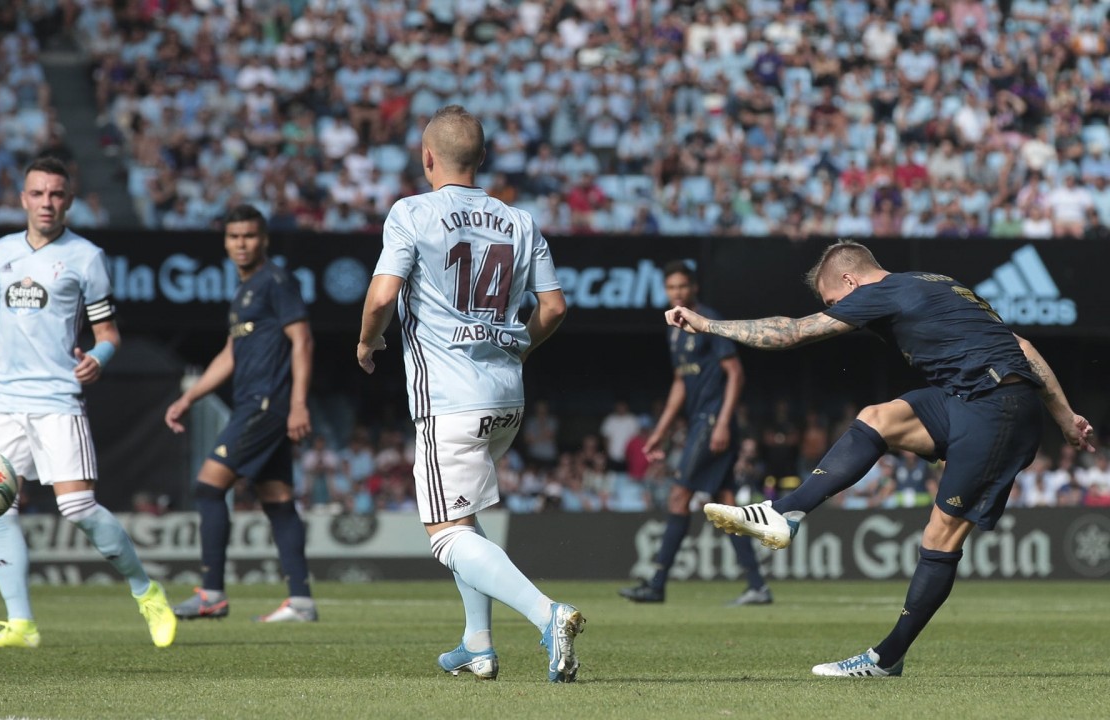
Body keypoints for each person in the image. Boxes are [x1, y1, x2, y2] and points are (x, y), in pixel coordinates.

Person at [675, 240, 1094, 677]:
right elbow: (1021, 346)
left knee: (941, 536)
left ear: (850, 281)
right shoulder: (937, 283)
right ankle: (785, 512)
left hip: (997, 410)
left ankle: (886, 658)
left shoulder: (879, 293)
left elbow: (793, 332)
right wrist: (1065, 416)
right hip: (967, 398)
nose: (838, 312)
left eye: (834, 302)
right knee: (878, 418)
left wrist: (708, 325)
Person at [357, 105, 584, 682]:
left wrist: (367, 341)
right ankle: (477, 644)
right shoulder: (520, 220)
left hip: (449, 398)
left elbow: (381, 297)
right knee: (464, 517)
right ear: (481, 158)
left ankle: (547, 614)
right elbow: (554, 307)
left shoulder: (411, 212)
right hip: (507, 398)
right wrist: (518, 348)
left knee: (446, 535)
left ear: (427, 157)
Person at [0, 157, 177, 650]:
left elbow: (108, 334)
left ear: (68, 200)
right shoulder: (1, 252)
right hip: (3, 401)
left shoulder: (87, 257)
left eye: (55, 194)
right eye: (37, 193)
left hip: (56, 400)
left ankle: (146, 591)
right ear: (23, 198)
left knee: (78, 507)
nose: (46, 202)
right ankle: (21, 624)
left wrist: (98, 359)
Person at [164, 204, 319, 623]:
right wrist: (189, 398)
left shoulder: (276, 281)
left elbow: (302, 340)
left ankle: (211, 593)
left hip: (265, 404)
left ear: (263, 239)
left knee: (208, 487)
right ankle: (301, 601)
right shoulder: (243, 291)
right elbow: (230, 354)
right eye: (234, 237)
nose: (241, 244)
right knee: (278, 500)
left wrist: (298, 403)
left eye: (249, 236)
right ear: (226, 241)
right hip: (257, 403)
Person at [618, 261, 771, 606]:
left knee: (678, 496)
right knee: (727, 504)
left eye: (682, 286)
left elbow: (735, 373)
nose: (677, 293)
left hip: (712, 421)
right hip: (701, 421)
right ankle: (757, 585)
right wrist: (660, 432)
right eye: (671, 287)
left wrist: (722, 422)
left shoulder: (708, 321)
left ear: (694, 288)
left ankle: (657, 584)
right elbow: (680, 384)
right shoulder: (674, 328)